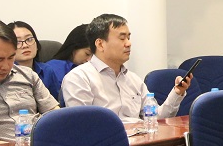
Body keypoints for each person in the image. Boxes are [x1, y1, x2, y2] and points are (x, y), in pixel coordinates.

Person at [62, 14, 191, 122]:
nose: (128, 43)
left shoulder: (133, 80)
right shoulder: (78, 78)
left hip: (141, 141)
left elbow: (155, 119)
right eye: (122, 38)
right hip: (106, 143)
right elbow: (83, 125)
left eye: (128, 38)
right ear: (100, 44)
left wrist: (177, 92)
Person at [8, 21, 61, 101]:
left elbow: (56, 101)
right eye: (17, 42)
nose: (25, 45)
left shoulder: (47, 71)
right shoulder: (5, 74)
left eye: (29, 39)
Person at [42, 23, 93, 102]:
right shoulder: (53, 68)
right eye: (87, 54)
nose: (89, 60)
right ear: (74, 47)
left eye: (94, 56)